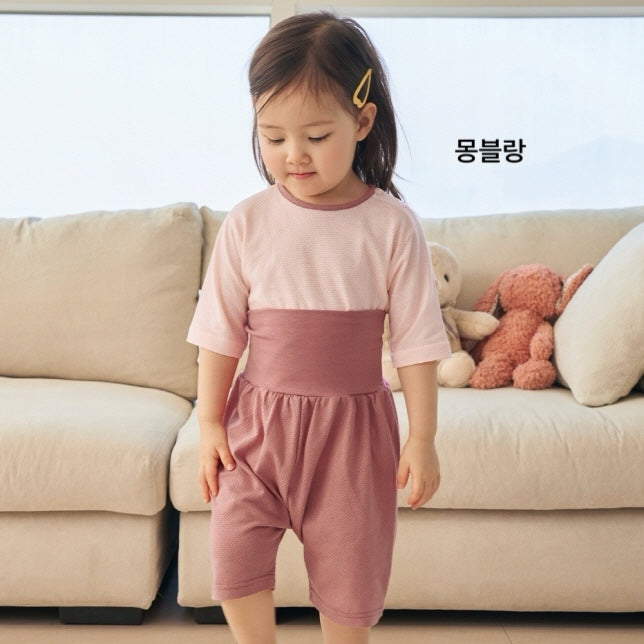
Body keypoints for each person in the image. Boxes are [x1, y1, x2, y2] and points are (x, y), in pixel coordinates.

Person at [187, 11, 451, 644]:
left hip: (353, 437)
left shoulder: (391, 226)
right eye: (273, 137)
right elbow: (219, 333)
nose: (293, 155)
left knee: (350, 575)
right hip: (256, 428)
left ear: (362, 121)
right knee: (234, 552)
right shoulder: (248, 221)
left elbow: (417, 343)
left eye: (315, 135)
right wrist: (210, 423)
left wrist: (422, 437)